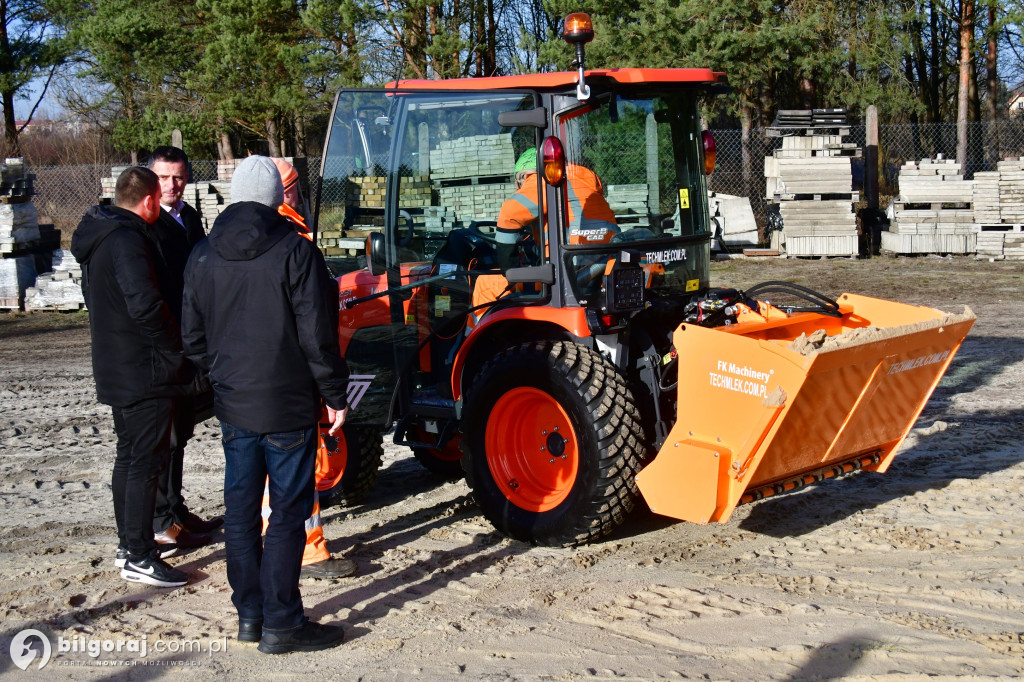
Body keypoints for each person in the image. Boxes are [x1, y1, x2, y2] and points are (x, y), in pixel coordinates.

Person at [182, 155, 351, 654]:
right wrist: (335, 395)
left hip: (235, 404)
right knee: (285, 512)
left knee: (239, 510)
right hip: (287, 405)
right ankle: (282, 621)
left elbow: (191, 337)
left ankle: (250, 616)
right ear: (279, 198)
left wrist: (222, 377)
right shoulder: (295, 252)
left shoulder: (202, 254)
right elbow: (317, 336)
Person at [70, 166, 198, 588]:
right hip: (144, 371)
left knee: (130, 459)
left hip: (118, 365)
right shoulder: (127, 240)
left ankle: (131, 546)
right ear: (147, 200)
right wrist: (176, 347)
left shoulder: (101, 234)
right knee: (145, 462)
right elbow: (145, 305)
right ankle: (140, 554)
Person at [268, 156, 356, 581]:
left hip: (255, 378)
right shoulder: (291, 241)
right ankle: (308, 549)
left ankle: (273, 541)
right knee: (297, 464)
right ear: (285, 192)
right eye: (294, 188)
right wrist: (331, 385)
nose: (298, 196)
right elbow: (313, 324)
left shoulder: (244, 238)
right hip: (296, 374)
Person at [147, 146, 222, 552]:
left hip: (193, 338)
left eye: (178, 177)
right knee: (164, 435)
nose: (172, 185)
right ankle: (160, 519)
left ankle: (175, 507)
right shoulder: (147, 225)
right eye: (163, 177)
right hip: (166, 342)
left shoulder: (190, 218)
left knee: (182, 430)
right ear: (150, 180)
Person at [496, 148, 619, 269]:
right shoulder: (583, 179)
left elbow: (509, 216)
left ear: (523, 176)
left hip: (569, 265)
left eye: (519, 183)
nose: (519, 189)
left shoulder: (541, 180)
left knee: (487, 283)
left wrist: (510, 271)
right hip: (609, 260)